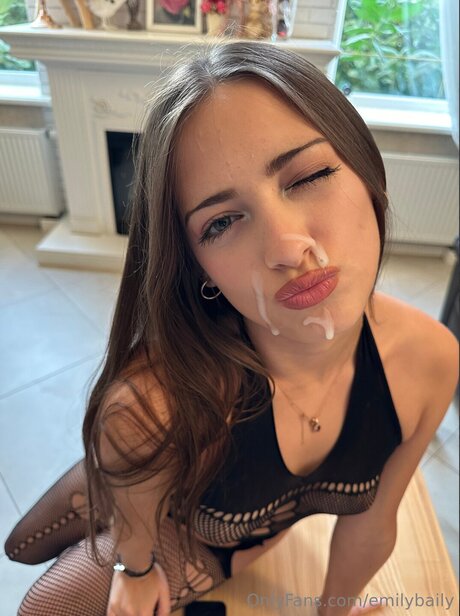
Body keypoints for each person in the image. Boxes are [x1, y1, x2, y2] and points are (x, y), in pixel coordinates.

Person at [4, 40, 458, 616]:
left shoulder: (430, 361)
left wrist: (334, 612)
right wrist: (133, 566)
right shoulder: (151, 407)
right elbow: (133, 550)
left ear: (368, 171)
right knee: (22, 545)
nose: (287, 247)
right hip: (157, 465)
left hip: (208, 531)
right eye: (221, 222)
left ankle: (125, 484)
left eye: (310, 175)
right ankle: (123, 481)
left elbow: (374, 519)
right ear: (201, 268)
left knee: (47, 605)